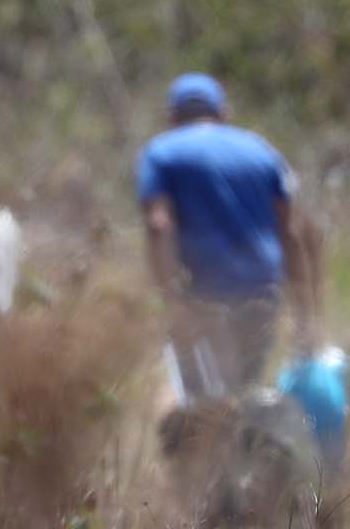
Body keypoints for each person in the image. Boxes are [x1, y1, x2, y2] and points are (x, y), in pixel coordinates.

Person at [137, 73, 321, 398]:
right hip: (262, 288)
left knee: (206, 403)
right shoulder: (262, 150)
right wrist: (306, 314)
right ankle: (248, 443)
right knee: (244, 391)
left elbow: (159, 225)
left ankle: (219, 444)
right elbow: (292, 231)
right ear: (223, 113)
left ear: (172, 116)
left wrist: (171, 301)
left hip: (202, 292)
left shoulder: (161, 153)